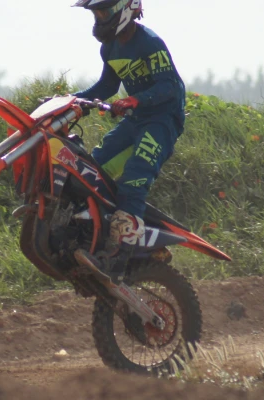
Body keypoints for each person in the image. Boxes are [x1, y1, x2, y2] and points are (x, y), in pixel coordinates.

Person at [71, 0, 186, 284]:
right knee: (92, 167)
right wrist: (72, 100)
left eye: (104, 12)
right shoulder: (109, 47)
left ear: (125, 8)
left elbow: (169, 86)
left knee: (135, 174)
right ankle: (98, 234)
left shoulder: (150, 43)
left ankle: (124, 251)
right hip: (136, 119)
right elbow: (107, 87)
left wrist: (136, 99)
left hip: (162, 120)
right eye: (96, 13)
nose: (99, 18)